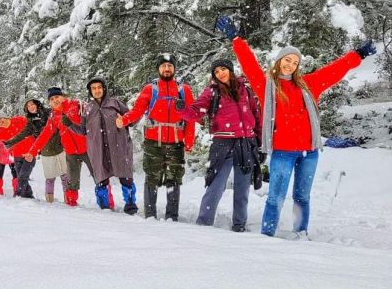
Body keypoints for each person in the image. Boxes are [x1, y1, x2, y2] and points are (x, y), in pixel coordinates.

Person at [216, 15, 377, 237]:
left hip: (309, 152)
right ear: (280, 61)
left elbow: (335, 70)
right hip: (283, 152)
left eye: (295, 62)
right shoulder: (267, 86)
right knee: (276, 198)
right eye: (287, 59)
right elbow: (248, 62)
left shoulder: (308, 85)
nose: (290, 65)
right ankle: (267, 236)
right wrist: (235, 38)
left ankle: (300, 233)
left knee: (302, 197)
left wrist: (357, 54)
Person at [176, 59, 262, 231]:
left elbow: (256, 115)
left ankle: (239, 225)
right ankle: (204, 223)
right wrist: (182, 109)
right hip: (223, 143)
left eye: (223, 69)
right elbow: (196, 111)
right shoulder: (211, 92)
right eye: (216, 71)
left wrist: (259, 143)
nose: (220, 73)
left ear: (230, 70)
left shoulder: (245, 89)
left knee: (242, 188)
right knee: (215, 185)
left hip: (246, 142)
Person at [116, 54, 195, 221]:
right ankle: (150, 215)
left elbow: (191, 117)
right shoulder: (150, 89)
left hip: (176, 143)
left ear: (174, 69)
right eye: (163, 66)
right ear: (158, 69)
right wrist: (124, 120)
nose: (167, 69)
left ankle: (172, 216)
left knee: (174, 179)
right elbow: (137, 111)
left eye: (170, 66)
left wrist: (189, 141)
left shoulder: (183, 90)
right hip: (153, 142)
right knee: (151, 178)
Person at [62, 77, 138, 214]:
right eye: (93, 88)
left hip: (119, 148)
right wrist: (70, 125)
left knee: (126, 178)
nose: (97, 90)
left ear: (104, 88)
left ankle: (131, 205)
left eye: (99, 87)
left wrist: (125, 120)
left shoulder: (115, 103)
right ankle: (105, 208)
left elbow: (133, 118)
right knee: (101, 180)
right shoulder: (88, 109)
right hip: (98, 150)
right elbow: (83, 131)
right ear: (90, 91)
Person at [25, 87, 91, 206]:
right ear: (49, 102)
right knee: (72, 183)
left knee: (100, 178)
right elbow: (44, 136)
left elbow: (94, 117)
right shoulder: (54, 118)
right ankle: (71, 204)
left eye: (57, 97)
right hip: (71, 153)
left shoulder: (77, 105)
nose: (55, 100)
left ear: (63, 97)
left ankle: (106, 205)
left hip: (88, 149)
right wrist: (32, 151)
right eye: (52, 99)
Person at [5, 99, 58, 199]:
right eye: (28, 106)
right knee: (48, 176)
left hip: (57, 144)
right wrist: (10, 142)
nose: (30, 107)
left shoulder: (48, 113)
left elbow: (53, 127)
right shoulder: (30, 119)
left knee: (63, 175)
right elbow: (24, 132)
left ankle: (20, 195)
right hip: (43, 148)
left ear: (37, 104)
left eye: (32, 104)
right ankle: (27, 195)